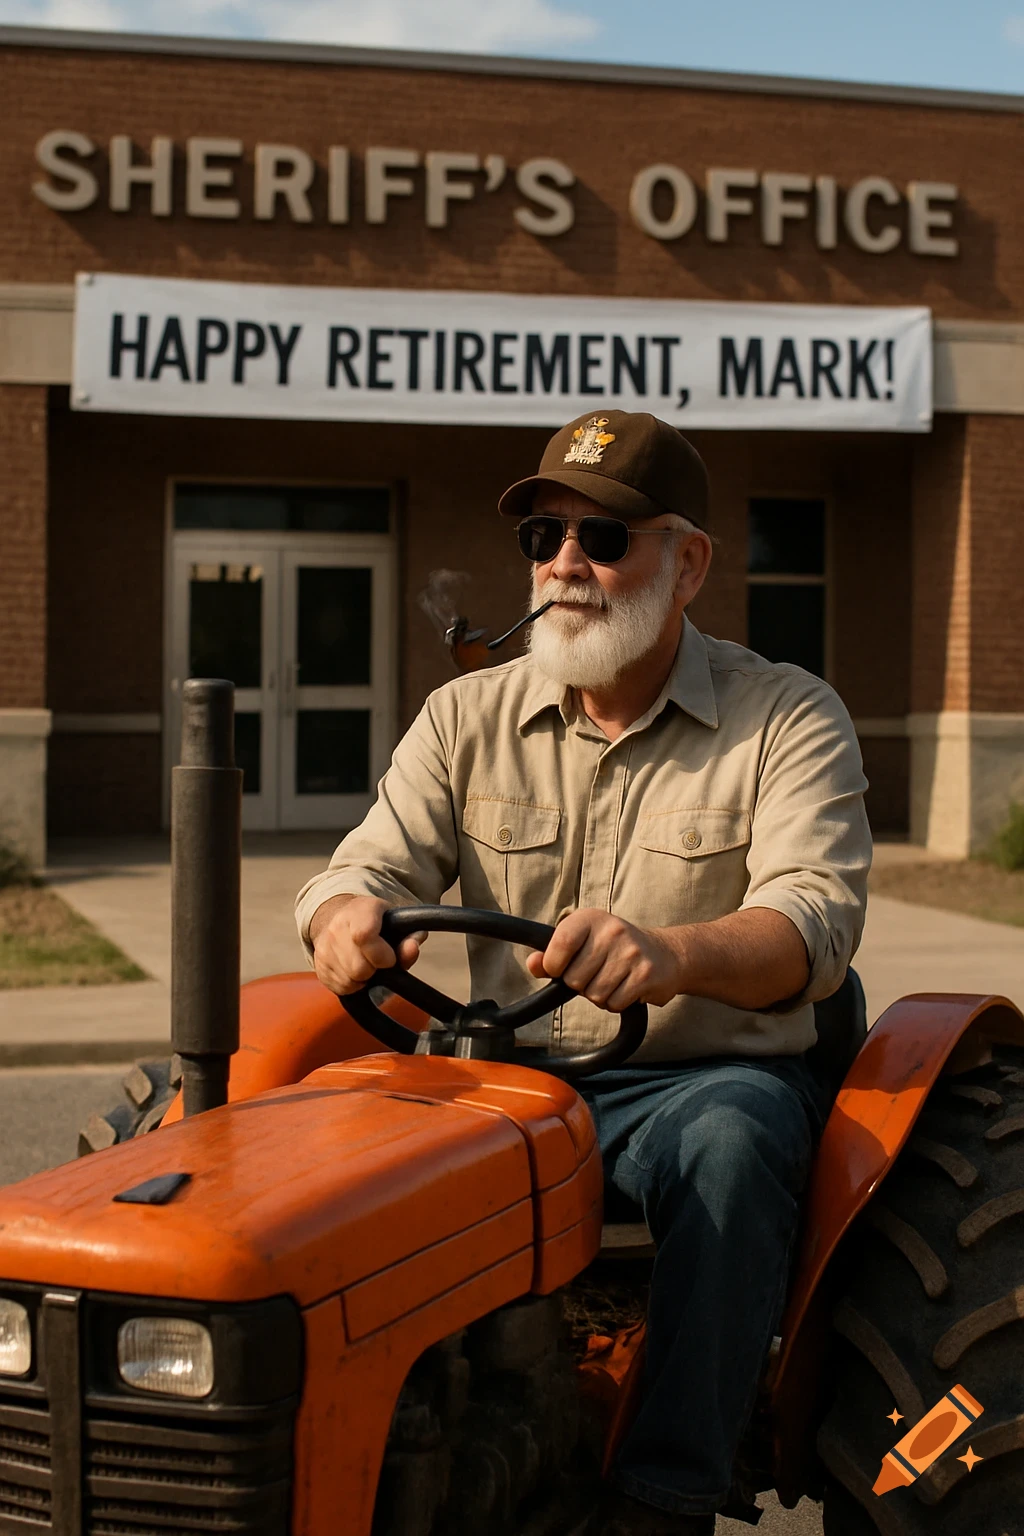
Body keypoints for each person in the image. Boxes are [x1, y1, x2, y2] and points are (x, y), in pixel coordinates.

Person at [295, 409, 871, 1535]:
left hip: (691, 1084)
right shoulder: (463, 717)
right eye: (544, 535)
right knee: (307, 1160)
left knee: (734, 1142)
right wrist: (340, 914)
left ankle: (663, 1494)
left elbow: (813, 923)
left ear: (686, 561)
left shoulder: (785, 718)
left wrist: (671, 954)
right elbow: (361, 866)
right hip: (498, 1085)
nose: (566, 562)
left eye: (604, 539)